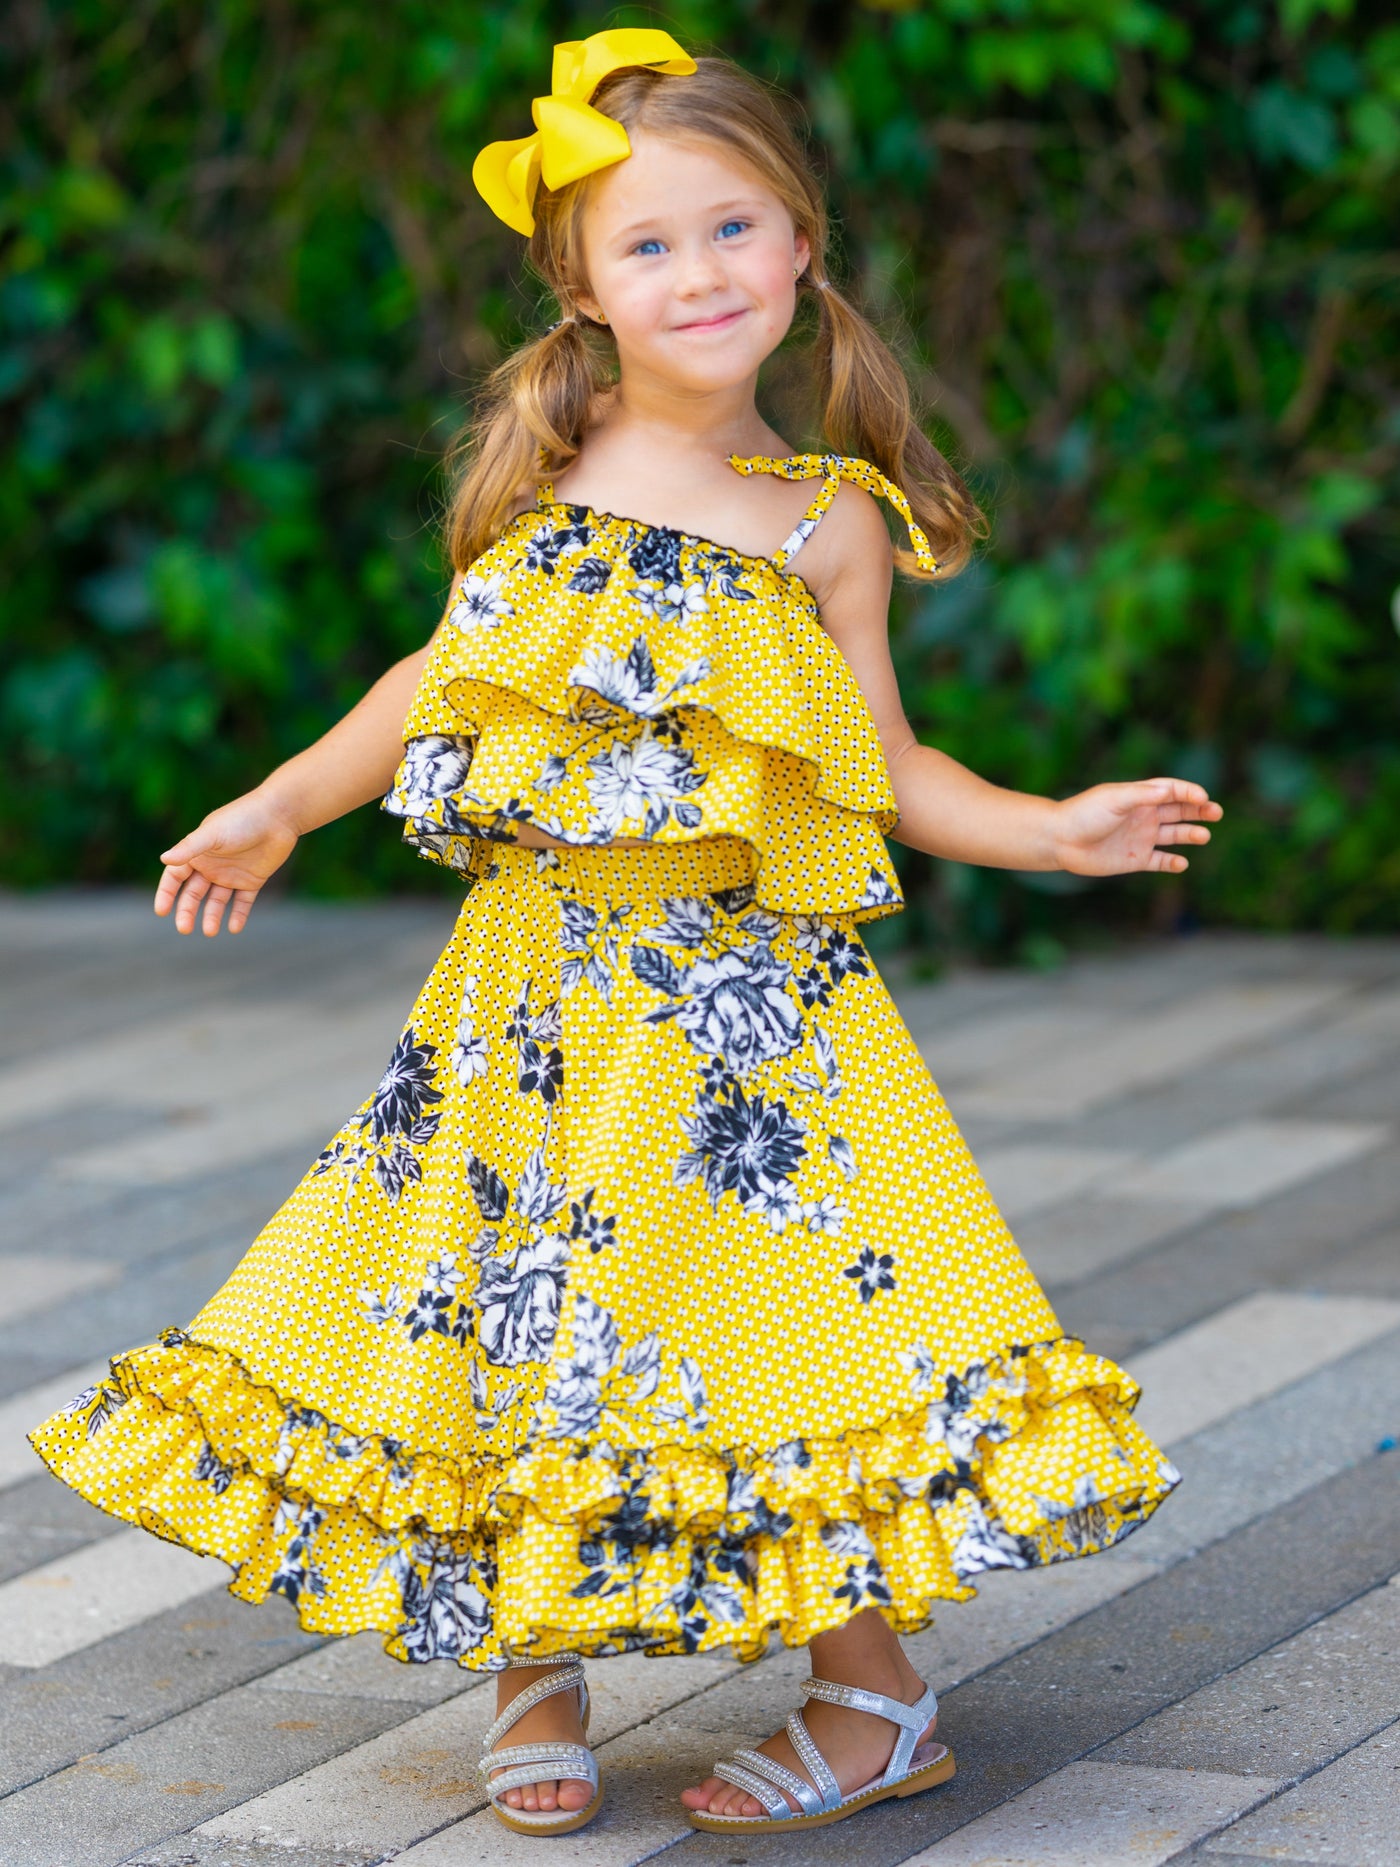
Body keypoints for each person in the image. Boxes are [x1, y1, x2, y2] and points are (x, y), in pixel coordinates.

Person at [29, 27, 1220, 1842]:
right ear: (581, 285)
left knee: (778, 1321)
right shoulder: (542, 473)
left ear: (801, 245)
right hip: (529, 993)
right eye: (649, 244)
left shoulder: (824, 521)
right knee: (515, 1310)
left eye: (734, 228)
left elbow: (889, 764)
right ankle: (536, 1654)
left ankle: (876, 1697)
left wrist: (1053, 829)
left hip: (748, 1017)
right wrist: (280, 801)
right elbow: (435, 679)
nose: (700, 273)